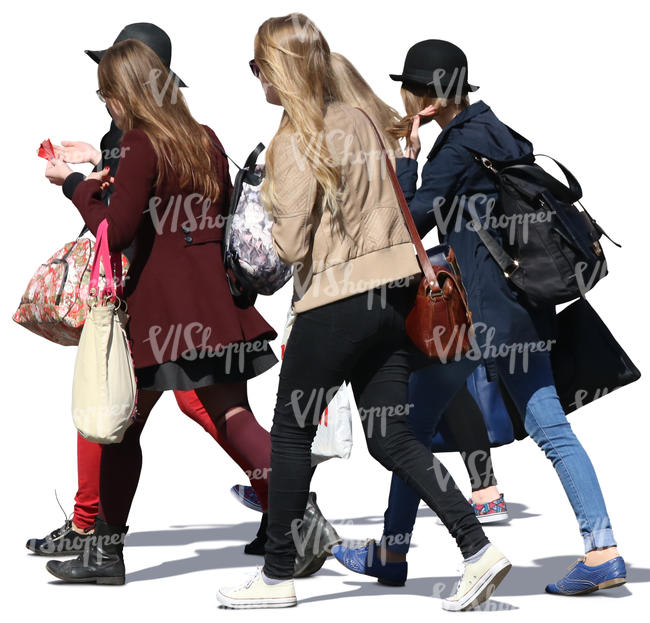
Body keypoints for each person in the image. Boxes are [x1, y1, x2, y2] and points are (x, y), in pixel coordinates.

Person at [216, 14, 511, 612]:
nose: (256, 79)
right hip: (392, 298)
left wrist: (260, 221)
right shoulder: (358, 118)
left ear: (279, 67)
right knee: (391, 437)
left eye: (258, 66)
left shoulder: (294, 137)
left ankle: (276, 578)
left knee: (293, 436)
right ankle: (478, 550)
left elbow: (292, 246)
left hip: (335, 304)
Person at [334, 38, 627, 597]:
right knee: (419, 427)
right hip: (514, 307)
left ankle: (602, 550)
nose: (400, 93)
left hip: (481, 317)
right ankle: (393, 553)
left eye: (406, 86)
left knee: (536, 429)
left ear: (424, 97)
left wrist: (406, 161)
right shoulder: (497, 132)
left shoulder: (452, 153)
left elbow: (406, 224)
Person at [42, 37, 298, 586]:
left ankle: (104, 555)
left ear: (125, 92)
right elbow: (217, 215)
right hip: (216, 309)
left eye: (107, 92)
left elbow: (117, 232)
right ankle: (300, 526)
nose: (106, 103)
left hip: (159, 319)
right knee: (233, 418)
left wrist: (75, 187)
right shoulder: (201, 138)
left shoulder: (139, 143)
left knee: (121, 430)